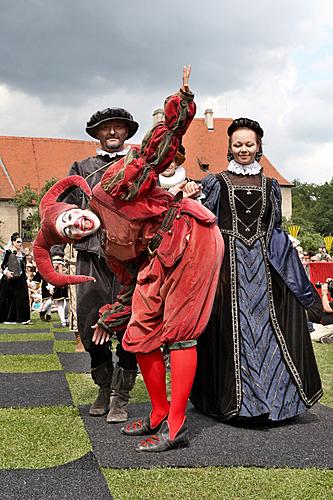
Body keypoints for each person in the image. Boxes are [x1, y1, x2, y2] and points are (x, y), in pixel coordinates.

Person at [33, 66, 224, 452]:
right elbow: (132, 279)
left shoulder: (111, 185)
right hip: (156, 257)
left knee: (181, 333)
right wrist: (112, 316)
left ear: (75, 206)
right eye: (70, 230)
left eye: (70, 217)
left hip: (190, 236)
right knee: (138, 332)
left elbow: (158, 148)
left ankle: (176, 424)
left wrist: (181, 103)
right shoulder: (106, 245)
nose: (76, 223)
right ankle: (157, 411)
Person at [190, 117, 322, 422]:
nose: (244, 149)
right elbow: (207, 223)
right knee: (231, 329)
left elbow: (274, 227)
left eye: (249, 144)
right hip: (227, 268)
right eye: (238, 144)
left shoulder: (270, 185)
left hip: (264, 268)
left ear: (259, 146)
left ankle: (276, 401)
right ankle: (236, 403)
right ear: (230, 147)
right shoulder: (217, 182)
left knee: (268, 329)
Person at [51, 97, 140, 423]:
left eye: (118, 127)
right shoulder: (81, 168)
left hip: (131, 259)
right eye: (106, 128)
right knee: (91, 328)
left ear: (127, 131)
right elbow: (63, 212)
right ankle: (104, 386)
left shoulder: (139, 162)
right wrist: (58, 252)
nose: (112, 132)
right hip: (92, 256)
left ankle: (121, 395)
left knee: (131, 326)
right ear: (98, 134)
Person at [0, 233, 31, 324]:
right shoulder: (8, 252)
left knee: (23, 297)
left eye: (21, 242)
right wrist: (7, 272)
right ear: (13, 242)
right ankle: (8, 318)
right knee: (8, 297)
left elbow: (23, 267)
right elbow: (2, 265)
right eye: (18, 242)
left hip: (20, 278)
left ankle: (23, 318)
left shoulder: (22, 254)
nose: (20, 244)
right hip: (9, 278)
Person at [310, 279, 333, 344]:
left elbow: (327, 308)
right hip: (325, 327)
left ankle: (326, 338)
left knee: (310, 336)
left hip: (330, 327)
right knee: (306, 325)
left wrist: (324, 293)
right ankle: (328, 337)